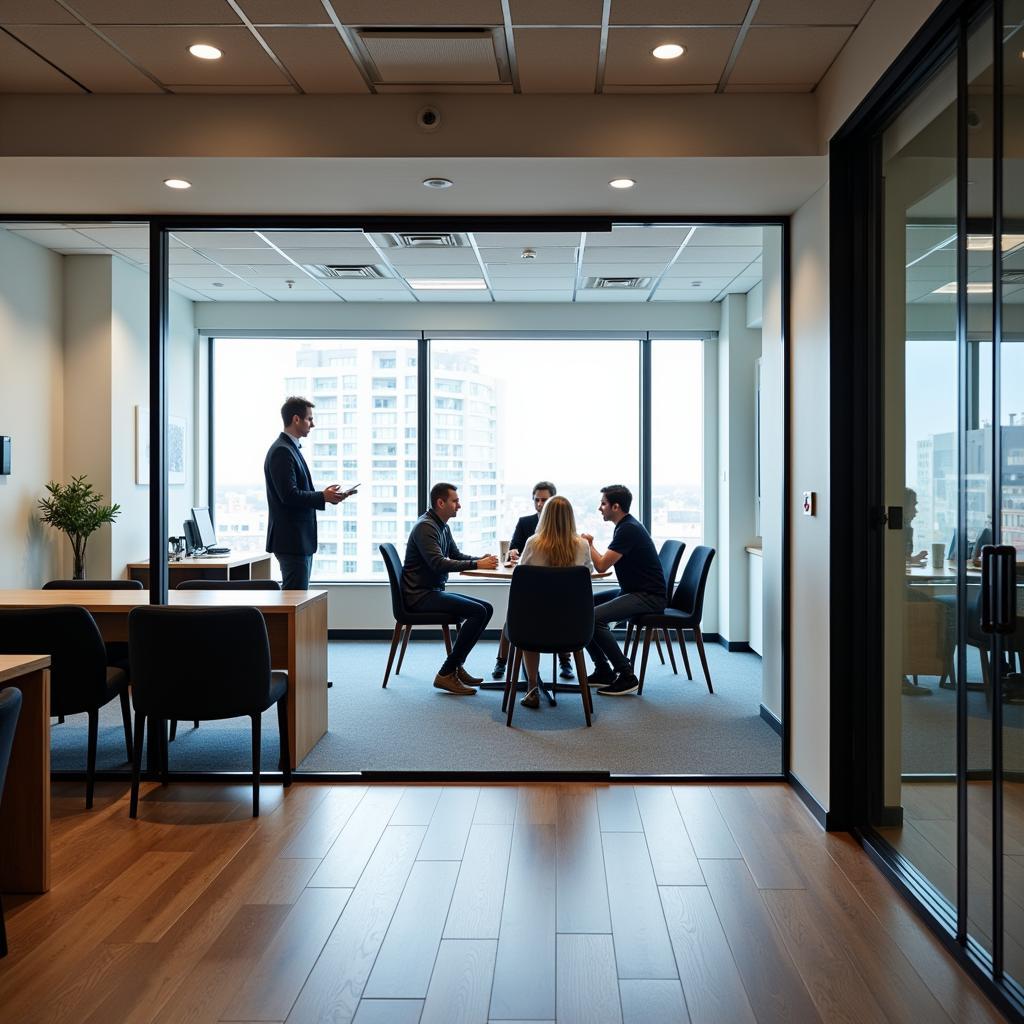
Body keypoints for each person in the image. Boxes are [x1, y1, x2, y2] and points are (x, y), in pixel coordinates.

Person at [403, 482, 498, 695]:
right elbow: (438, 563)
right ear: (440, 502)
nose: (459, 505)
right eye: (455, 501)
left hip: (431, 591)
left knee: (487, 608)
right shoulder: (426, 527)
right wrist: (476, 565)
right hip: (420, 596)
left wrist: (479, 559)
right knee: (479, 611)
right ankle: (447, 672)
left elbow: (454, 555)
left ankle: (455, 666)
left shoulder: (441, 525)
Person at [581, 484, 666, 696]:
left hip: (648, 596)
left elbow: (601, 565)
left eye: (603, 504)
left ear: (616, 506)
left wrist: (588, 544)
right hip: (633, 590)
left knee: (592, 618)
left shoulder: (628, 529)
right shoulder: (625, 526)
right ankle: (603, 670)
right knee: (583, 607)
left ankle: (626, 675)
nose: (600, 508)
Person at [264, 396, 353, 590]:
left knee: (297, 599)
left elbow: (296, 493)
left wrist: (328, 497)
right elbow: (289, 495)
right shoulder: (282, 451)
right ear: (296, 419)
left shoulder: (290, 448)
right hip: (292, 540)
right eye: (309, 419)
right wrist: (322, 496)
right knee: (294, 600)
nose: (313, 424)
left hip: (297, 540)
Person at [513, 495, 593, 709]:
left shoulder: (533, 543)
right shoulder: (582, 545)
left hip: (534, 627)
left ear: (545, 517)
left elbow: (523, 576)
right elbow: (589, 573)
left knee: (524, 624)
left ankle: (532, 688)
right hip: (574, 626)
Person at [493, 480, 575, 682]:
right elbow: (515, 548)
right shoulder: (525, 523)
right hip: (554, 595)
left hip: (541, 594)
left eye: (544, 501)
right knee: (522, 616)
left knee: (517, 616)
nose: (540, 504)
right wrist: (512, 552)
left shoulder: (558, 533)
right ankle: (501, 662)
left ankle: (563, 660)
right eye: (537, 500)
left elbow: (524, 566)